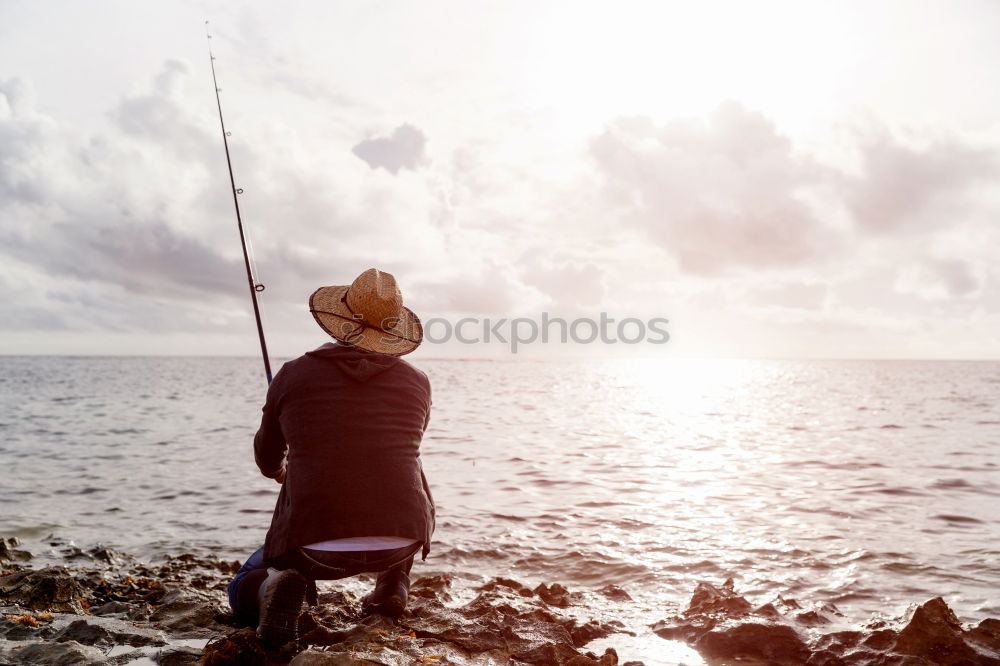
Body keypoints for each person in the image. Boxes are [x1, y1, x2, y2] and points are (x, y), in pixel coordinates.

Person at [226, 268, 434, 646]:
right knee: (406, 460)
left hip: (311, 549)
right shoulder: (417, 380)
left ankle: (278, 586)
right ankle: (392, 586)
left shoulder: (292, 374)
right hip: (404, 538)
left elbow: (266, 456)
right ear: (391, 331)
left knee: (241, 590)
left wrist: (280, 469)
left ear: (337, 321)